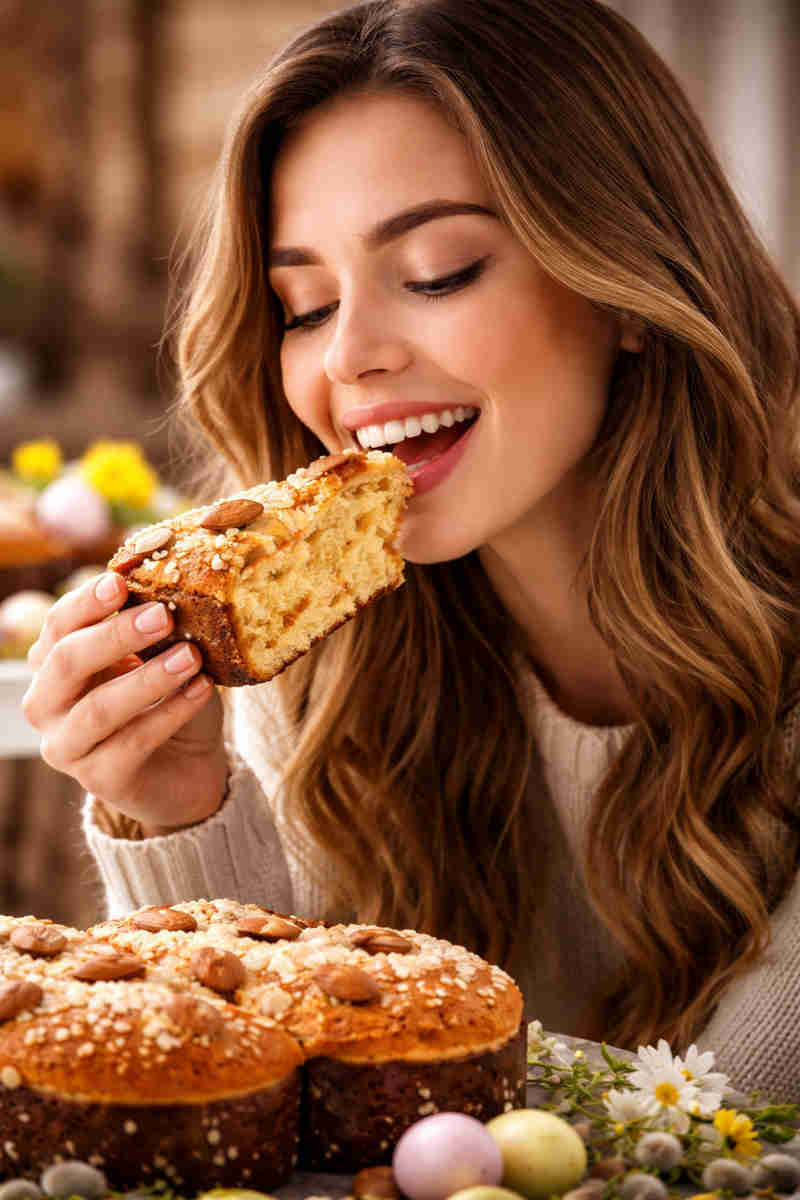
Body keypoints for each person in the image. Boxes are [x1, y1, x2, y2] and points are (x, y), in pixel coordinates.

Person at [21, 0, 800, 1100]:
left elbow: (735, 1134)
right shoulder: (308, 662)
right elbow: (254, 1124)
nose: (349, 359)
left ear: (626, 287)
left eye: (436, 272)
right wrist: (181, 812)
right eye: (300, 304)